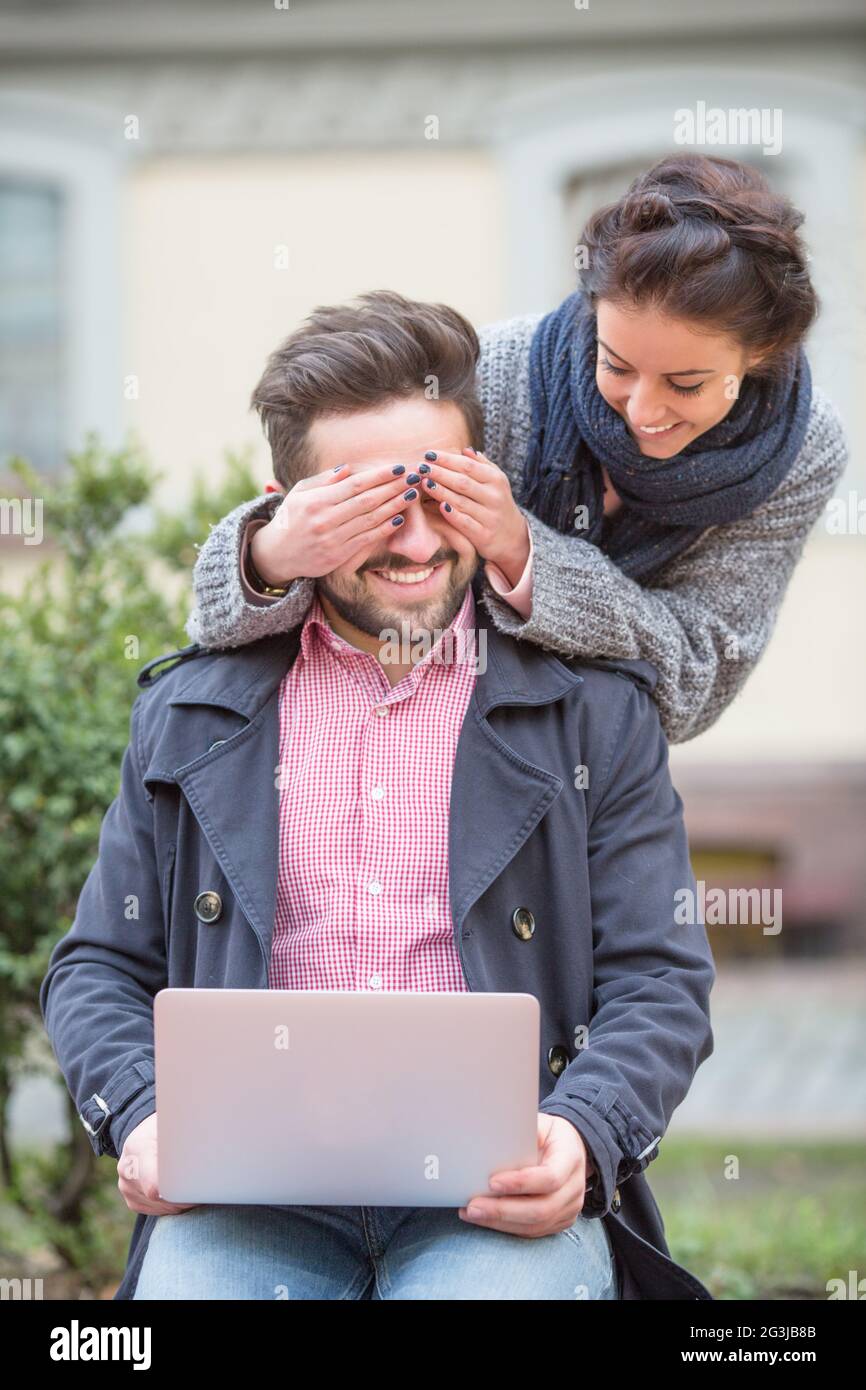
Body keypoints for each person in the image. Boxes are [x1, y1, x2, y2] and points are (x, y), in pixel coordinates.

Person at [40, 293, 715, 1301]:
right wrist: (138, 1117)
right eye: (366, 509)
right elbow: (97, 966)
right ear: (289, 512)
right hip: (244, 1205)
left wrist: (581, 1134)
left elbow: (659, 980)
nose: (411, 544)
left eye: (436, 495)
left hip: (496, 1194)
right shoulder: (189, 714)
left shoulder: (593, 715)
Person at [185, 153, 848, 743]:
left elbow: (693, 684)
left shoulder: (801, 453)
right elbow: (251, 604)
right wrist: (269, 554)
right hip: (414, 737)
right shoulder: (505, 373)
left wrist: (521, 551)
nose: (644, 411)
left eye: (686, 383)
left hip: (584, 772)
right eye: (615, 365)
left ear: (762, 354)